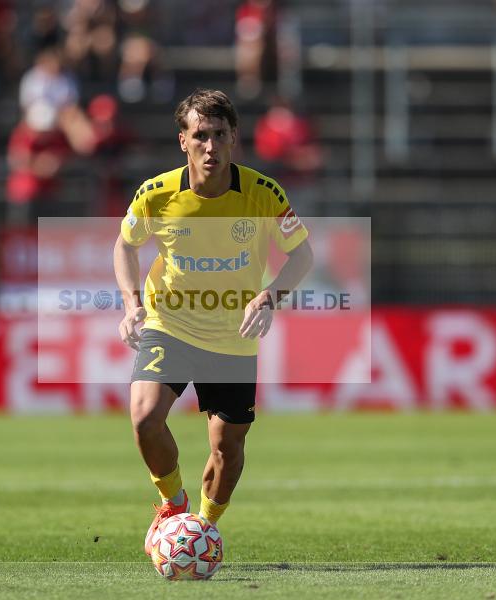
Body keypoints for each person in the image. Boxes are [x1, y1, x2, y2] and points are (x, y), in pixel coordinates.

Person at [112, 89, 313, 555]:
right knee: (144, 418)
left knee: (227, 447)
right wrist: (130, 304)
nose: (210, 146)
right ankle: (173, 505)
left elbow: (301, 253)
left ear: (234, 138)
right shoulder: (157, 194)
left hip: (233, 338)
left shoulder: (264, 194)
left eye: (219, 135)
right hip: (171, 325)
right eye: (200, 135)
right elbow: (124, 245)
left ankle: (203, 529)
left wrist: (270, 296)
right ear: (183, 141)